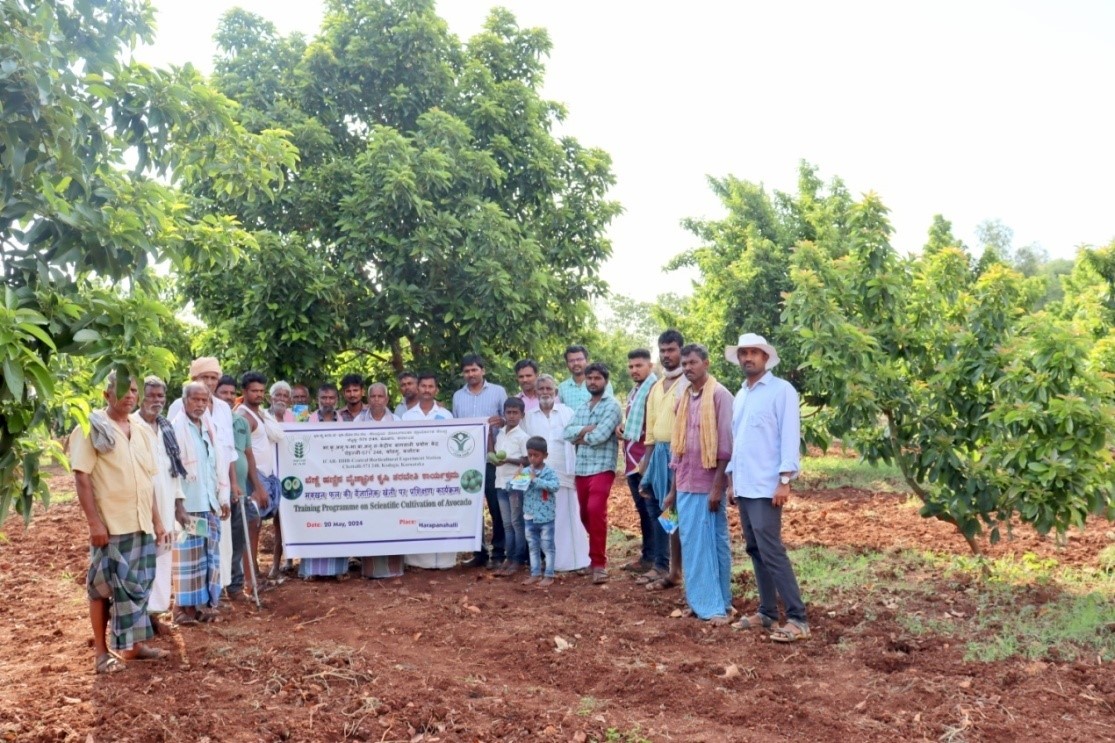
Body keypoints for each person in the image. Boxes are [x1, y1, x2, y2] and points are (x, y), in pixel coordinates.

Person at [73, 372, 169, 673]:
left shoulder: (141, 431)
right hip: (111, 525)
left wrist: (157, 520)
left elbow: (147, 480)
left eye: (133, 390)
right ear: (106, 394)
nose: (130, 396)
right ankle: (101, 654)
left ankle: (133, 646)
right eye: (123, 390)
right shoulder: (92, 427)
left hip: (140, 522)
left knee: (138, 586)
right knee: (101, 589)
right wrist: (94, 524)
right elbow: (82, 476)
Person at [724, 333, 809, 641]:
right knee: (755, 549)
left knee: (771, 550)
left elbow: (789, 435)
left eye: (754, 353)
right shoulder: (742, 394)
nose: (748, 357)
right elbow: (738, 441)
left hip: (767, 485)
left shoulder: (781, 390)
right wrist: (732, 480)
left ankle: (798, 619)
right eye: (743, 353)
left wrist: (785, 480)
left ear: (765, 357)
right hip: (745, 485)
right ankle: (768, 613)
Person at [661, 344, 734, 624]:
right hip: (685, 483)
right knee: (694, 543)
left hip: (707, 485)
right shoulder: (684, 398)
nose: (688, 368)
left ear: (706, 363)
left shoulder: (719, 395)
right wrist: (672, 492)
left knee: (711, 544)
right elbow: (678, 452)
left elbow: (725, 448)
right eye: (685, 364)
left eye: (693, 362)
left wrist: (718, 487)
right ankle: (704, 601)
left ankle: (714, 606)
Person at [167, 357, 238, 591]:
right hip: (191, 493)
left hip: (215, 490)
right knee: (190, 547)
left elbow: (226, 450)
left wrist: (228, 488)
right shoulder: (179, 406)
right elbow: (172, 452)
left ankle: (218, 591)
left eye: (213, 377)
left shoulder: (224, 408)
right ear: (193, 379)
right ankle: (186, 601)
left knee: (217, 545)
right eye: (204, 377)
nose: (209, 382)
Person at [171, 381, 229, 625]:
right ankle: (182, 610)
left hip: (209, 503)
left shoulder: (208, 428)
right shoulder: (176, 428)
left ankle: (203, 606)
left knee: (207, 558)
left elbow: (217, 464)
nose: (200, 404)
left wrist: (222, 497)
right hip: (190, 505)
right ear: (185, 401)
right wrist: (178, 506)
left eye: (204, 400)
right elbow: (172, 471)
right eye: (195, 400)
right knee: (188, 559)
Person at [563, 362, 622, 584]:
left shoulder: (612, 406)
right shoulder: (583, 407)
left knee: (595, 510)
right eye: (589, 379)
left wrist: (580, 436)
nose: (593, 382)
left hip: (603, 467)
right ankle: (595, 556)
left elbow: (600, 437)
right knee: (585, 515)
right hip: (582, 468)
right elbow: (565, 433)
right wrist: (585, 430)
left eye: (597, 378)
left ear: (605, 381)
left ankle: (599, 564)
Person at [637, 329, 687, 591]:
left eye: (672, 350)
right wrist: (645, 464)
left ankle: (675, 569)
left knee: (674, 509)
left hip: (680, 454)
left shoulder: (688, 383)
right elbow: (652, 428)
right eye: (663, 350)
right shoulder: (656, 387)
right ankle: (661, 564)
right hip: (657, 454)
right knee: (656, 509)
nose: (667, 355)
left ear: (681, 350)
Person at [524, 375, 590, 572]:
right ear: (536, 393)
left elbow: (576, 439)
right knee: (547, 518)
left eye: (548, 388)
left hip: (564, 473)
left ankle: (576, 560)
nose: (545, 392)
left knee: (568, 516)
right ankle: (553, 561)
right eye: (541, 389)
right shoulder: (529, 417)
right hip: (540, 477)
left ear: (555, 392)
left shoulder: (566, 412)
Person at [137, 376, 186, 632]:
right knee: (143, 562)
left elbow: (174, 471)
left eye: (160, 396)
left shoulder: (166, 427)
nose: (156, 401)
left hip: (166, 506)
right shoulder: (132, 425)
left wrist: (179, 507)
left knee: (163, 561)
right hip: (140, 507)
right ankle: (140, 620)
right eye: (151, 395)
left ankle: (155, 616)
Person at [450, 355, 507, 569]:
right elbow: (456, 428)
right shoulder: (458, 396)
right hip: (468, 461)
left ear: (482, 370)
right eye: (466, 371)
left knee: (495, 505)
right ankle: (479, 552)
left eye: (474, 370)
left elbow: (508, 419)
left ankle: (500, 552)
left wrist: (500, 421)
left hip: (493, 459)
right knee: (472, 507)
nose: (471, 374)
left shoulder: (498, 391)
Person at [233, 372, 283, 594]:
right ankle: (248, 579)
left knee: (256, 527)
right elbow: (245, 455)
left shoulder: (259, 414)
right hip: (254, 479)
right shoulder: (243, 416)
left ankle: (253, 575)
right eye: (254, 391)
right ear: (244, 392)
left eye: (262, 391)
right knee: (250, 528)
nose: (259, 395)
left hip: (265, 476)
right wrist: (259, 486)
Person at [403, 373, 456, 569]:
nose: (426, 390)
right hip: (415, 474)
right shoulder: (407, 416)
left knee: (440, 513)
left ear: (436, 390)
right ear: (418, 388)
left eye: (430, 386)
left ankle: (444, 560)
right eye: (423, 386)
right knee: (418, 512)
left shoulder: (446, 415)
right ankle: (417, 560)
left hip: (441, 474)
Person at [299, 381, 350, 578]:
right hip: (314, 482)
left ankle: (338, 570)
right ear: (317, 400)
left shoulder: (344, 421)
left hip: (338, 481)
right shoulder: (305, 420)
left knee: (338, 522)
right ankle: (310, 570)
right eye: (323, 398)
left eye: (331, 398)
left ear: (337, 400)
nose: (327, 402)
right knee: (314, 522)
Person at [619, 348, 657, 575]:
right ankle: (649, 557)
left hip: (649, 460)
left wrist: (647, 460)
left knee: (660, 510)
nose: (634, 370)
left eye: (639, 365)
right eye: (631, 366)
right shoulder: (636, 391)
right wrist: (621, 429)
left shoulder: (654, 389)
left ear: (650, 366)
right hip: (633, 461)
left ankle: (665, 560)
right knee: (644, 511)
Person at [491, 398, 530, 577]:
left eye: (516, 413)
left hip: (515, 483)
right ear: (504, 414)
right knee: (507, 523)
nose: (512, 416)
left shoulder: (523, 437)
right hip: (500, 482)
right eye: (509, 412)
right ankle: (509, 556)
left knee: (516, 523)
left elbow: (527, 460)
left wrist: (507, 460)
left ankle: (518, 558)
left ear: (522, 415)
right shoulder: (500, 434)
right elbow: (495, 454)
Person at [520, 436, 562, 587]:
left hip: (545, 517)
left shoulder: (549, 472)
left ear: (545, 455)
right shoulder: (525, 471)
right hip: (529, 515)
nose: (532, 458)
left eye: (536, 455)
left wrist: (535, 480)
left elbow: (555, 486)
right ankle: (535, 573)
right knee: (533, 546)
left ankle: (549, 575)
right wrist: (515, 480)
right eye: (530, 455)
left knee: (548, 546)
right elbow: (515, 486)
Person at [557, 345, 613, 410]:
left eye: (579, 359)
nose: (575, 363)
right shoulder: (562, 388)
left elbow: (609, 408)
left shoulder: (602, 384)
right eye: (571, 361)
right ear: (567, 364)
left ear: (587, 361)